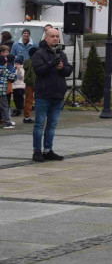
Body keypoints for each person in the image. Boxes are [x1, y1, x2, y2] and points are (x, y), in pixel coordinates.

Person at [31, 28, 72, 163]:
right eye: (52, 36)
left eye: (57, 36)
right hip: (43, 95)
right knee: (39, 124)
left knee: (52, 125)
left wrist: (61, 68)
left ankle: (48, 150)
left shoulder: (61, 53)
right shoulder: (39, 53)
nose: (55, 38)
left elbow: (67, 71)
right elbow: (39, 71)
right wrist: (51, 64)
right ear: (46, 38)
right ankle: (37, 151)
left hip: (57, 95)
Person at [0, 46, 16, 129]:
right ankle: (7, 122)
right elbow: (12, 76)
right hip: (2, 92)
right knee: (5, 107)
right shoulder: (4, 70)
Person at [22, 46, 37, 124]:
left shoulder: (27, 62)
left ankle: (26, 116)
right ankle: (27, 117)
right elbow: (33, 75)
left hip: (28, 83)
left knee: (27, 100)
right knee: (30, 101)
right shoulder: (34, 63)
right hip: (33, 83)